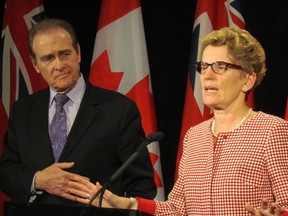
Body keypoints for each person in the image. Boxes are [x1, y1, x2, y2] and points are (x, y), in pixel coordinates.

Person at [67, 27, 288, 215]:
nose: (207, 75)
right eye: (203, 66)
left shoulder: (272, 131)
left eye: (220, 66)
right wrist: (126, 203)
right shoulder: (195, 136)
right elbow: (177, 208)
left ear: (248, 80)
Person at [0, 18, 156, 206]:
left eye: (65, 53)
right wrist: (38, 180)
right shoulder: (22, 111)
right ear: (35, 65)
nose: (59, 65)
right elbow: (6, 171)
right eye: (48, 58)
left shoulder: (118, 109)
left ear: (78, 53)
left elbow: (142, 185)